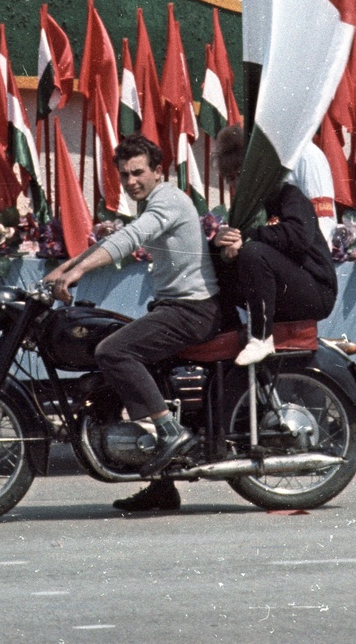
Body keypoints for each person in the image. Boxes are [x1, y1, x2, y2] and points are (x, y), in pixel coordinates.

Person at [46, 133, 231, 513]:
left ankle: (168, 431)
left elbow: (131, 238)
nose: (131, 182)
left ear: (158, 171)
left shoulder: (167, 200)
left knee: (112, 350)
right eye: (125, 175)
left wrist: (77, 270)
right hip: (175, 306)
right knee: (122, 352)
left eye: (138, 172)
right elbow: (120, 237)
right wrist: (63, 269)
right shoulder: (154, 203)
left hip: (192, 309)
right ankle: (163, 488)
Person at [211, 126, 337, 365]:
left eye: (242, 175)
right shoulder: (244, 210)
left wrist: (247, 237)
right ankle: (225, 326)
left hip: (316, 289)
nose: (239, 183)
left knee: (253, 251)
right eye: (232, 178)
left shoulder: (288, 195)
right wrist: (220, 245)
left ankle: (261, 337)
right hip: (281, 293)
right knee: (219, 261)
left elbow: (299, 236)